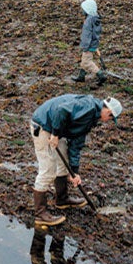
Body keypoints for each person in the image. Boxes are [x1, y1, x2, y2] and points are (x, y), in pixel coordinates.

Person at [29, 94, 122, 226]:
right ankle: (40, 213)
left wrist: (74, 171)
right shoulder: (88, 107)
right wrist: (55, 134)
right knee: (48, 170)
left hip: (56, 127)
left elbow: (76, 144)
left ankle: (62, 199)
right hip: (43, 125)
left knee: (63, 163)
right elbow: (61, 110)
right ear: (108, 111)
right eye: (110, 118)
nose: (107, 121)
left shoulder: (91, 118)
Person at [72, 0, 106, 86]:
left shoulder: (88, 21)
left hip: (88, 45)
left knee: (87, 62)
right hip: (94, 43)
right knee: (84, 61)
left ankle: (100, 74)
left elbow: (86, 35)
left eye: (83, 9)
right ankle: (81, 76)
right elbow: (96, 33)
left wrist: (85, 46)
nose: (82, 11)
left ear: (87, 10)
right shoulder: (96, 19)